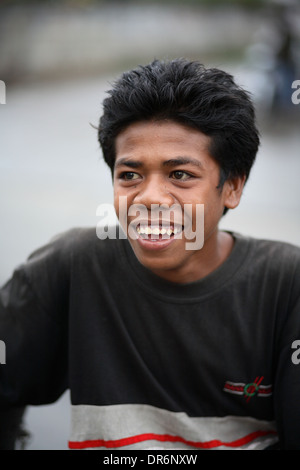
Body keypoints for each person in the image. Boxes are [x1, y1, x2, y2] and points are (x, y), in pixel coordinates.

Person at [1, 58, 300, 451]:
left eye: (180, 175)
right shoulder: (72, 265)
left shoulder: (285, 285)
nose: (149, 198)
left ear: (232, 187)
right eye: (130, 175)